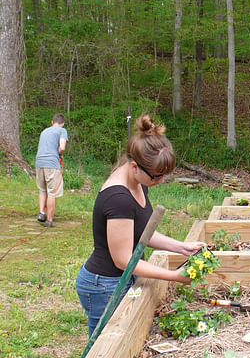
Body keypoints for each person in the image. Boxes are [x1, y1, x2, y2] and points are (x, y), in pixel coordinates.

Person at [76, 114, 204, 337]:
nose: (160, 181)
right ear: (135, 166)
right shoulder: (119, 198)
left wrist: (183, 247)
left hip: (120, 278)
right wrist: (174, 276)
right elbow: (123, 259)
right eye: (156, 176)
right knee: (104, 347)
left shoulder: (137, 180)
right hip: (104, 285)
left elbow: (141, 235)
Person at [35, 113, 68, 227]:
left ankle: (41, 213)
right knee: (52, 192)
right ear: (62, 123)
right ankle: (49, 220)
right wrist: (60, 153)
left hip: (39, 162)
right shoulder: (62, 131)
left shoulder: (44, 131)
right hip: (52, 164)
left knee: (42, 189)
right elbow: (62, 147)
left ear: (52, 122)